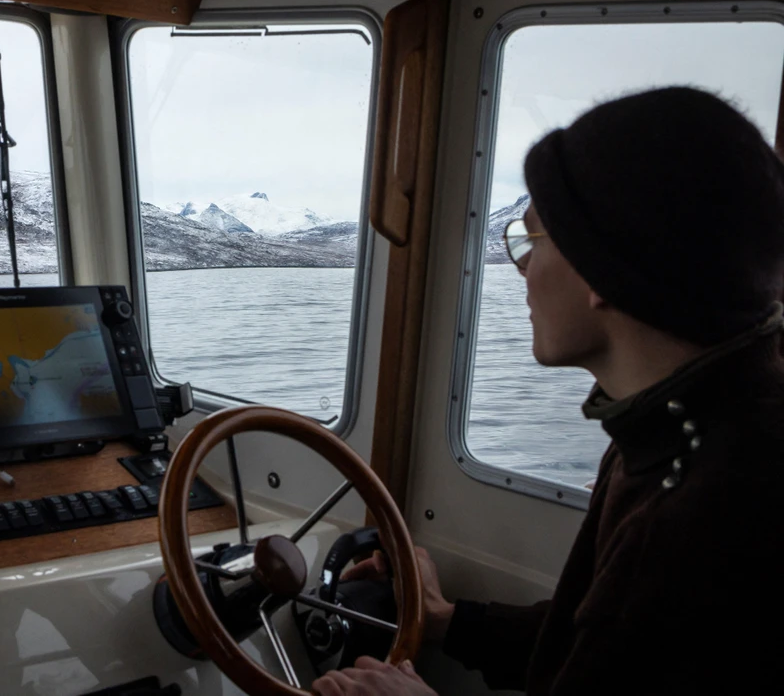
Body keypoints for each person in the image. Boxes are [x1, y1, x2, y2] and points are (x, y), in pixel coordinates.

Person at [313, 86, 784, 695]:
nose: (521, 268)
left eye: (532, 241)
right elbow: (599, 648)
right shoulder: (675, 429)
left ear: (602, 271)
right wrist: (447, 623)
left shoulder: (706, 508)